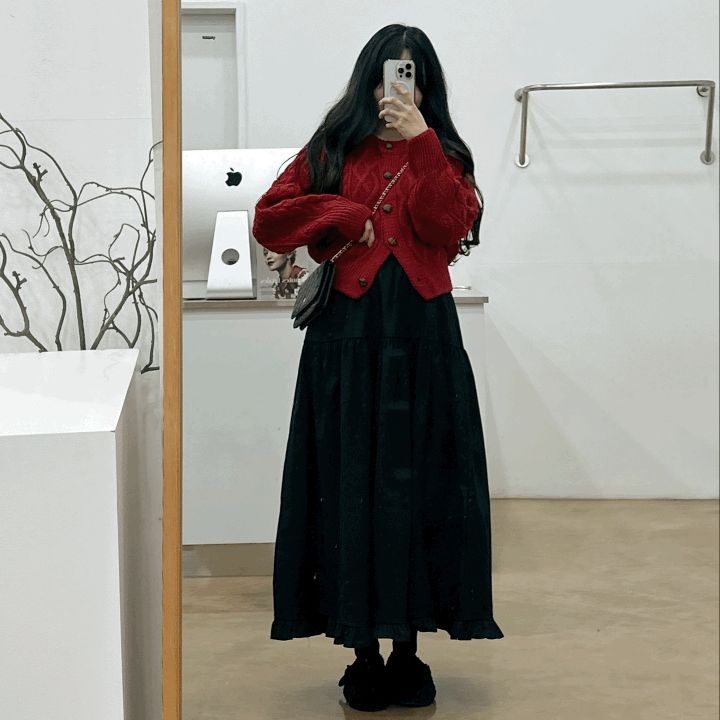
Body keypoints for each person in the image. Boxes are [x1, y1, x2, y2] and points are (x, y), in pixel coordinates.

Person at [252, 24, 504, 712]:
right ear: (370, 80)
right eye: (392, 74)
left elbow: (448, 227)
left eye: (413, 76)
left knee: (419, 486)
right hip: (346, 341)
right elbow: (271, 218)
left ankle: (409, 650)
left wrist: (423, 143)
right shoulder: (332, 147)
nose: (400, 88)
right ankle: (362, 651)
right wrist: (343, 211)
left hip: (425, 341)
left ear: (427, 87)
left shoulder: (445, 152)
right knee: (350, 480)